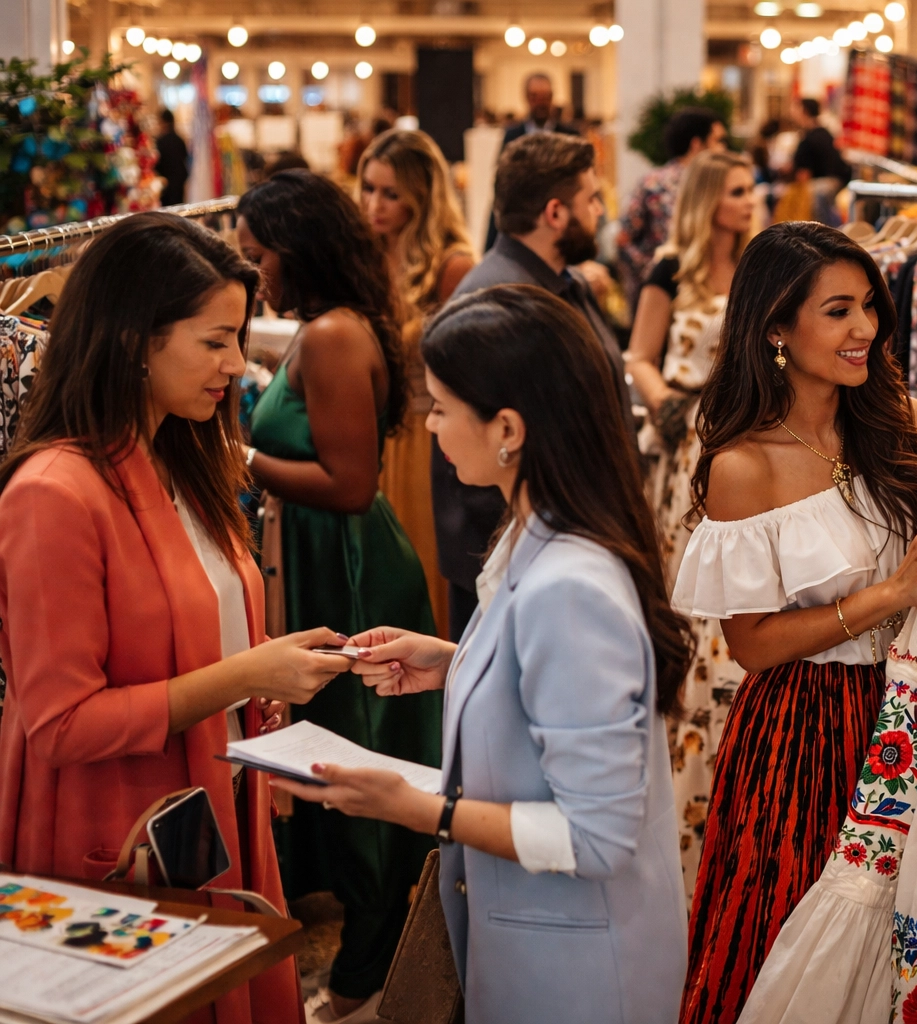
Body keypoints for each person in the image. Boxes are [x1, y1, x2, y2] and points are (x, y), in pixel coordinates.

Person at [270, 284, 693, 1023]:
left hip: (580, 970)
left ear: (507, 428)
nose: (428, 425)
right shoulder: (535, 529)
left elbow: (596, 837)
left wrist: (414, 807)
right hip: (538, 939)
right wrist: (453, 659)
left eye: (439, 407)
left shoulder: (571, 583)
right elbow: (544, 673)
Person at [0, 213, 356, 1024]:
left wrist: (266, 670)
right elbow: (58, 723)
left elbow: (196, 635)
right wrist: (246, 673)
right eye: (215, 341)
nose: (236, 364)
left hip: (209, 803)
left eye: (237, 339)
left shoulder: (181, 461)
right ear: (134, 340)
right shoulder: (54, 494)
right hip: (122, 831)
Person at [672, 222, 917, 1023]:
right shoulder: (744, 466)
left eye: (868, 305)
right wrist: (890, 594)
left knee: (916, 934)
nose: (865, 326)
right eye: (837, 311)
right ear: (776, 327)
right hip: (804, 731)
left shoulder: (900, 422)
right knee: (795, 936)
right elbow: (752, 645)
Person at [237, 171, 442, 1024]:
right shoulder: (329, 327)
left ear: (297, 248)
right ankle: (365, 946)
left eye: (258, 254)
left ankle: (367, 968)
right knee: (338, 757)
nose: (254, 273)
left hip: (351, 566)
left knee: (356, 762)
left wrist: (241, 459)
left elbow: (351, 486)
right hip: (323, 557)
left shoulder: (330, 335)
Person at [435, 131, 633, 641]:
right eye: (592, 199)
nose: (600, 212)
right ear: (555, 213)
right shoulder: (495, 298)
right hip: (526, 560)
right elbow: (476, 455)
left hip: (575, 539)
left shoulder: (563, 281)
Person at [626, 150, 755, 894]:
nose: (749, 200)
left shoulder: (757, 267)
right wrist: (667, 403)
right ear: (710, 199)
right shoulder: (671, 270)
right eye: (736, 191)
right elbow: (640, 354)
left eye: (750, 189)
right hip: (684, 440)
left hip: (734, 433)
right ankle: (676, 720)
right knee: (681, 580)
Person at [358, 128, 477, 637]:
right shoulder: (364, 259)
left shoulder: (452, 267)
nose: (374, 205)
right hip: (370, 438)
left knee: (422, 576)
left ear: (422, 197)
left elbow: (469, 372)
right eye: (368, 188)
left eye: (391, 193)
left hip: (427, 442)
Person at [617, 106, 729, 306]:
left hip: (706, 292)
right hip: (663, 296)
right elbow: (624, 238)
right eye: (717, 140)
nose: (723, 149)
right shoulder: (653, 184)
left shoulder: (719, 186)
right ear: (697, 144)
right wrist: (653, 272)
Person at [481, 73, 580, 251]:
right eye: (535, 97)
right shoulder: (512, 135)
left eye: (545, 97)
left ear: (552, 97)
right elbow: (503, 180)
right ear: (526, 98)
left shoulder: (570, 135)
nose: (540, 103)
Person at [154, 108, 189, 206]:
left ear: (164, 122)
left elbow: (158, 163)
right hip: (179, 181)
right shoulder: (179, 140)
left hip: (166, 183)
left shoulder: (160, 141)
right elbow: (185, 157)